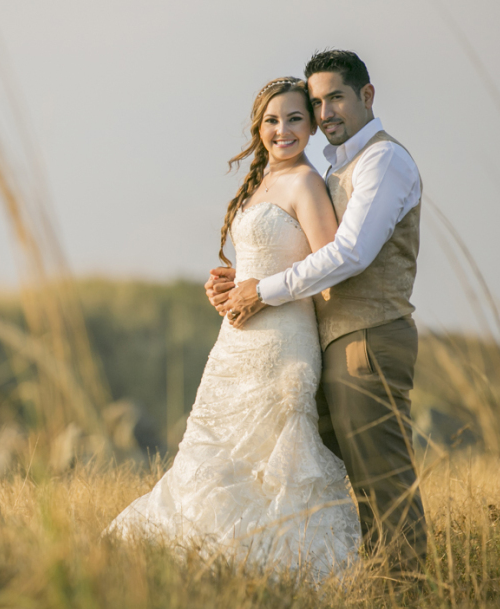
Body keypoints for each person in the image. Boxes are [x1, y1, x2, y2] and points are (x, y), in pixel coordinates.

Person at [104, 76, 361, 582]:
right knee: (214, 457)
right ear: (258, 126)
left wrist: (261, 290)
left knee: (273, 467)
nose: (282, 130)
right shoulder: (263, 178)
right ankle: (209, 568)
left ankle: (280, 575)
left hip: (283, 343)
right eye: (271, 120)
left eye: (293, 119)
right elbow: (262, 259)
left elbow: (329, 267)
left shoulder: (306, 183)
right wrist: (227, 285)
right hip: (236, 344)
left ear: (311, 125)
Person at [207, 49, 428, 577]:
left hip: (368, 337)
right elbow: (306, 252)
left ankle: (409, 591)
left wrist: (263, 290)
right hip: (322, 343)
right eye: (319, 101)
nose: (326, 112)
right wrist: (239, 283)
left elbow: (350, 254)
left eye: (336, 99)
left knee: (381, 475)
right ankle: (349, 579)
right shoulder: (335, 166)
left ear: (366, 96)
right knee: (327, 473)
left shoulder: (383, 160)